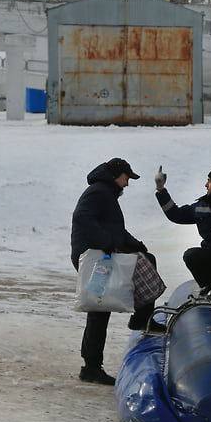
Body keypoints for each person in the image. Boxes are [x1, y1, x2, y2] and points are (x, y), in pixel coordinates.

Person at [70, 157, 155, 385]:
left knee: (145, 260)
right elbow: (82, 217)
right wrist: (104, 241)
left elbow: (115, 229)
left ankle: (142, 317)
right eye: (127, 178)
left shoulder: (106, 193)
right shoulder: (99, 192)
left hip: (101, 254)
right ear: (116, 175)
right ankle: (91, 367)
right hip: (95, 258)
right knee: (99, 311)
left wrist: (134, 243)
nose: (127, 184)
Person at [154, 166, 211, 287]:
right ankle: (210, 290)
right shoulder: (203, 206)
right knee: (191, 255)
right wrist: (161, 190)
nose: (206, 185)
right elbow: (177, 215)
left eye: (209, 181)